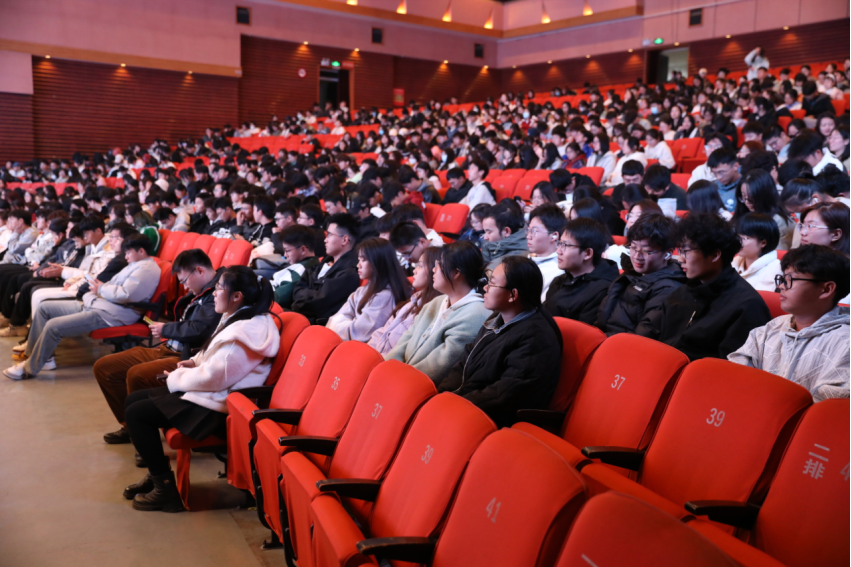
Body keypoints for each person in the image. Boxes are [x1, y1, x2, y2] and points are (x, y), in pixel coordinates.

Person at [121, 266, 281, 512]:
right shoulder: (239, 316)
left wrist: (178, 377)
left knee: (136, 414)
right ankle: (157, 474)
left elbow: (216, 378)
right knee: (133, 400)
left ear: (237, 296)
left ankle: (165, 490)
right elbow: (215, 355)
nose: (214, 293)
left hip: (222, 407)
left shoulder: (246, 332)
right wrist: (194, 362)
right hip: (216, 395)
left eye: (219, 288)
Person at [93, 249, 223, 444]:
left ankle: (142, 436)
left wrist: (166, 329)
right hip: (167, 348)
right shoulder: (203, 290)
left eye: (185, 280)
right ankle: (130, 426)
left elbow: (200, 329)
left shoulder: (219, 292)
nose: (185, 287)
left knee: (137, 374)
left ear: (199, 271)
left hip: (186, 357)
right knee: (104, 367)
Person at [5, 234, 162, 379]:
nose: (125, 256)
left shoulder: (146, 269)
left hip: (111, 314)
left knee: (53, 326)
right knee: (44, 308)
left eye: (128, 252)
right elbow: (112, 287)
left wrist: (100, 289)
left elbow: (126, 294)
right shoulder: (135, 264)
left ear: (141, 251)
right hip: (100, 305)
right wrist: (97, 290)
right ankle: (38, 357)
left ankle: (29, 368)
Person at [436, 256, 563, 428]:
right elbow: (465, 361)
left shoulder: (535, 338)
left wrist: (455, 406)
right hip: (467, 405)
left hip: (495, 420)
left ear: (513, 295)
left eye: (492, 284)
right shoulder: (498, 316)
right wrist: (441, 394)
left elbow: (504, 395)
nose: (485, 288)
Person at [729, 245, 849, 401]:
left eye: (790, 279)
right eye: (782, 279)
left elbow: (829, 405)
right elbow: (736, 373)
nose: (781, 286)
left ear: (826, 289)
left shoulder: (845, 343)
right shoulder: (770, 328)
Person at [657, 214, 772, 360]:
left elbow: (730, 367)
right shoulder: (681, 294)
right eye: (680, 250)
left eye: (686, 251)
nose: (680, 259)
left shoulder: (747, 306)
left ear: (714, 255)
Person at [385, 241, 491, 385]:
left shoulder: (476, 314)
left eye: (439, 265)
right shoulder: (436, 302)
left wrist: (398, 379)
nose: (433, 270)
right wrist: (387, 369)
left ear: (456, 273)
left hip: (419, 387)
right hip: (400, 379)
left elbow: (440, 366)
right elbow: (405, 340)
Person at [595, 213, 686, 339]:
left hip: (622, 345)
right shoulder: (631, 273)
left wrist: (599, 340)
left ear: (668, 254)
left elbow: (642, 337)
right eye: (633, 248)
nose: (637, 256)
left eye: (646, 251)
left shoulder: (668, 289)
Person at [326, 237, 412, 342]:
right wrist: (346, 323)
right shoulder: (363, 290)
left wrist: (342, 323)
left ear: (378, 262)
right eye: (359, 259)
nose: (358, 265)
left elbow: (358, 334)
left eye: (363, 260)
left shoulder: (384, 296)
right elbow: (337, 318)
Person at [368, 247, 443, 355]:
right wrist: (368, 354)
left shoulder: (433, 312)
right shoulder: (412, 302)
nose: (414, 270)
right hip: (377, 357)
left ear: (435, 270)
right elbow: (382, 332)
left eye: (420, 266)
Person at [543, 218, 618, 324]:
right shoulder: (559, 280)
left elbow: (582, 331)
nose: (558, 251)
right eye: (559, 243)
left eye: (565, 245)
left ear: (587, 253)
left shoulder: (603, 290)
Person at [290, 213, 360, 324]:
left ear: (344, 240)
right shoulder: (325, 262)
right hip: (302, 315)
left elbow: (318, 303)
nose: (325, 240)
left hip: (314, 323)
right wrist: (311, 293)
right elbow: (298, 288)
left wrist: (302, 296)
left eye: (329, 235)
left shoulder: (349, 273)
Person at [735, 169, 795, 250]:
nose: (747, 202)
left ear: (765, 195)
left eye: (751, 197)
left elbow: (779, 254)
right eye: (743, 196)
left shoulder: (778, 221)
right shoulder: (742, 215)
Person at [271, 225, 320, 308]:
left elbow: (277, 298)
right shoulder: (304, 265)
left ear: (303, 250)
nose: (285, 255)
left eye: (287, 250)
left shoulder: (301, 271)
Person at [526, 203, 566, 301]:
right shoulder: (528, 259)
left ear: (554, 236)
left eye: (534, 231)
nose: (528, 236)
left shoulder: (558, 271)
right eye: (528, 230)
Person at [732, 213, 782, 291]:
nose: (738, 242)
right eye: (737, 237)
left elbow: (759, 297)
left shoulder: (775, 269)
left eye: (745, 238)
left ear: (763, 243)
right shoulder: (735, 260)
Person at [480, 200, 529, 270]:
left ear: (506, 231)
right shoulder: (490, 243)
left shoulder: (520, 256)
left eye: (489, 232)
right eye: (485, 232)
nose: (485, 237)